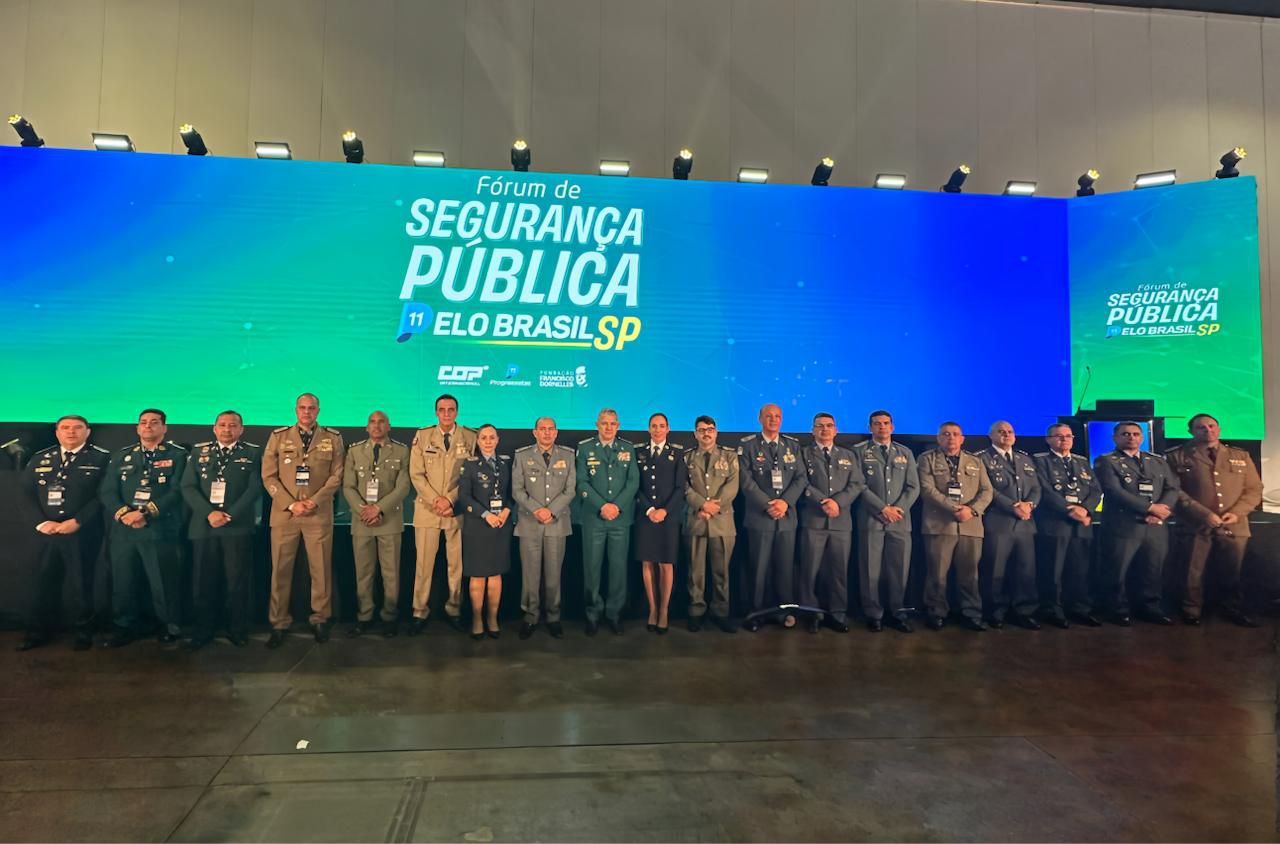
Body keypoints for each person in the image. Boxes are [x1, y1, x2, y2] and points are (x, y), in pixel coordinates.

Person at [17, 415, 111, 651]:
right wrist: (41, 523)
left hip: (82, 532)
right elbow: (25, 493)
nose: (71, 432)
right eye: (65, 428)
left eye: (77, 428)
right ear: (57, 432)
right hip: (45, 533)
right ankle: (38, 632)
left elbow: (103, 495)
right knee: (42, 583)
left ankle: (83, 632)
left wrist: (78, 521)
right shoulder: (40, 458)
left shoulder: (102, 458)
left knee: (82, 583)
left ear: (87, 432)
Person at [261, 393, 345, 647]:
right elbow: (268, 476)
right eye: (302, 408)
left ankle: (320, 618)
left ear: (318, 410)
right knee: (280, 569)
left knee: (320, 569)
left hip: (317, 513)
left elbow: (337, 475)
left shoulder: (333, 437)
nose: (307, 412)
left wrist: (314, 501)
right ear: (296, 410)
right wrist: (291, 504)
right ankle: (279, 622)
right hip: (285, 513)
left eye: (311, 408)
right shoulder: (278, 436)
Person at [100, 408, 189, 647]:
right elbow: (107, 491)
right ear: (137, 428)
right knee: (123, 582)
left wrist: (146, 513)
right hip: (124, 530)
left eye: (154, 422)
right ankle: (124, 627)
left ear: (164, 427)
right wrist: (125, 514)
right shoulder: (122, 456)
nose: (148, 426)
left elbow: (178, 491)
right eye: (143, 422)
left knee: (163, 582)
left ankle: (169, 627)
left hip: (159, 529)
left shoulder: (178, 455)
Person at [1164, 413, 1262, 627]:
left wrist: (1237, 512)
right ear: (1191, 432)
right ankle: (1191, 610)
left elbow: (1254, 489)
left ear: (1219, 429)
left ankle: (1232, 608)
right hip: (1194, 523)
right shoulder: (1177, 456)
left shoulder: (1240, 455)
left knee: (1232, 570)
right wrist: (1203, 514)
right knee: (1192, 571)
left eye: (1211, 426)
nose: (1207, 430)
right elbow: (1174, 491)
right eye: (1201, 427)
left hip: (1233, 524)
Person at [179, 410, 262, 650]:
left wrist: (230, 514)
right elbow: (188, 486)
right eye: (222, 425)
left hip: (237, 526)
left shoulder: (253, 453)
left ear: (241, 429)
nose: (227, 429)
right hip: (204, 526)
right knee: (203, 581)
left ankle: (237, 629)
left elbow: (255, 488)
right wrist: (209, 513)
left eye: (233, 425)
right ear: (214, 428)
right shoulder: (198, 452)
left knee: (237, 581)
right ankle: (203, 630)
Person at [1094, 421, 1178, 626]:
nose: (1131, 437)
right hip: (1123, 526)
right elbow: (1114, 491)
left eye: (1135, 434)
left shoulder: (1157, 461)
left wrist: (1161, 511)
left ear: (1142, 437)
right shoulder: (1106, 461)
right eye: (1125, 434)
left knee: (1152, 570)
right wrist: (1149, 508)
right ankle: (1117, 610)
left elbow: (1173, 488)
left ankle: (1150, 608)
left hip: (1155, 526)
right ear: (1115, 438)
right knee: (1117, 571)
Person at [408, 394, 477, 634]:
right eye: (442, 410)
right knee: (423, 566)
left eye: (451, 409)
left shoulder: (470, 437)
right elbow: (416, 474)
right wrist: (436, 500)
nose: (446, 414)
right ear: (436, 412)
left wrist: (449, 499)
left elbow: (471, 474)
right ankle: (419, 611)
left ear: (457, 412)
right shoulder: (423, 436)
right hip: (427, 510)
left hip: (455, 511)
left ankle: (454, 609)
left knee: (456, 566)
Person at [342, 410, 411, 638]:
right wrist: (364, 511)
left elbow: (403, 486)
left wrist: (379, 509)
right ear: (366, 427)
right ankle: (365, 616)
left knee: (391, 574)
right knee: (364, 573)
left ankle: (389, 617)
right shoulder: (354, 451)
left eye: (381, 422)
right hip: (362, 521)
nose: (377, 425)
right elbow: (348, 486)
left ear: (388, 426)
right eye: (372, 422)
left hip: (389, 521)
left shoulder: (401, 450)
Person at [917, 421, 992, 632]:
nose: (951, 438)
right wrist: (954, 508)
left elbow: (987, 491)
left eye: (955, 434)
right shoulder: (926, 459)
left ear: (962, 438)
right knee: (937, 574)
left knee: (970, 574)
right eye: (946, 434)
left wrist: (972, 510)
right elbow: (926, 489)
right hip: (939, 525)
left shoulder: (975, 461)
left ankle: (971, 613)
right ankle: (936, 613)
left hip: (970, 525)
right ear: (938, 438)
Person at [737, 404, 806, 632]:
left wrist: (785, 502)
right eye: (769, 416)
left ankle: (784, 611)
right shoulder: (748, 445)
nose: (773, 420)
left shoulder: (792, 446)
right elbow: (745, 480)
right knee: (758, 569)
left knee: (785, 569)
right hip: (760, 516)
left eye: (777, 416)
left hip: (786, 517)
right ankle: (756, 613)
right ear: (760, 418)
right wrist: (768, 505)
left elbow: (801, 478)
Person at [796, 413, 865, 633]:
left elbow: (857, 484)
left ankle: (837, 614)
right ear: (812, 430)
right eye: (820, 426)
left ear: (836, 430)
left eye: (829, 426)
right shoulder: (803, 453)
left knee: (838, 571)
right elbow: (801, 482)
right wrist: (822, 501)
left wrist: (838, 502)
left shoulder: (848, 455)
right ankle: (811, 613)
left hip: (840, 522)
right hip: (813, 520)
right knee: (809, 571)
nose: (825, 430)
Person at [851, 410, 919, 633]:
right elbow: (859, 485)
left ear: (892, 427)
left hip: (900, 520)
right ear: (870, 427)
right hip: (871, 518)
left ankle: (897, 613)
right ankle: (873, 614)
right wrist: (882, 508)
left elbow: (913, 487)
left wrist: (897, 509)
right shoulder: (859, 452)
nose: (882, 427)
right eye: (877, 423)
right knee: (870, 569)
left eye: (886, 423)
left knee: (899, 569)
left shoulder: (905, 452)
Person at [576, 408, 639, 636]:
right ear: (597, 425)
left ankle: (614, 614)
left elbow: (633, 482)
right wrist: (602, 506)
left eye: (613, 423)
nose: (609, 427)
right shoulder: (585, 448)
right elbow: (581, 482)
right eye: (604, 423)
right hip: (594, 518)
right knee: (592, 570)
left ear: (618, 426)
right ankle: (592, 614)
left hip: (620, 519)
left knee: (618, 570)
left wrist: (616, 506)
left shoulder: (627, 449)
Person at [511, 417, 576, 640]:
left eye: (551, 429)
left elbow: (570, 490)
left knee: (553, 575)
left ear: (556, 432)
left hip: (556, 524)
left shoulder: (567, 455)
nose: (547, 433)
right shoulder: (522, 456)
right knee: (530, 575)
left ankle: (553, 617)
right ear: (535, 432)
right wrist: (537, 510)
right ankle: (530, 616)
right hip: (530, 523)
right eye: (542, 429)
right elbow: (517, 490)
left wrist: (551, 511)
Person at [1033, 424, 1103, 627]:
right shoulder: (1039, 461)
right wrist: (1069, 510)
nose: (1064, 440)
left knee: (1080, 571)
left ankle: (1079, 609)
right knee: (1052, 571)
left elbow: (1096, 490)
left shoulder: (1082, 462)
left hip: (1081, 525)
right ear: (1048, 439)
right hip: (1055, 524)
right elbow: (1044, 491)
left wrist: (1086, 510)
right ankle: (1052, 610)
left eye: (1068, 436)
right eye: (1058, 436)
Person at [976, 421, 1042, 630]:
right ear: (990, 435)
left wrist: (1029, 505)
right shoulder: (981, 458)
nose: (1006, 435)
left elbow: (1036, 488)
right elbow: (988, 489)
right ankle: (995, 612)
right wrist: (1013, 506)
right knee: (995, 571)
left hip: (1025, 523)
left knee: (1025, 571)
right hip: (998, 522)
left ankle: (1025, 611)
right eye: (1001, 431)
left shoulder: (1025, 458)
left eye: (1010, 431)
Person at [457, 424, 514, 640]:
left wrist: (507, 510)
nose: (488, 441)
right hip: (477, 526)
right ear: (478, 441)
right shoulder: (470, 464)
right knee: (478, 575)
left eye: (492, 437)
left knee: (495, 574)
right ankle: (477, 619)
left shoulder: (506, 463)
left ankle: (492, 618)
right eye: (484, 438)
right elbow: (464, 497)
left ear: (498, 440)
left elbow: (513, 492)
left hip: (501, 525)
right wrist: (485, 514)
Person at [684, 415, 739, 634]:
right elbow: (684, 487)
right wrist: (702, 505)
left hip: (722, 521)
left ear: (716, 432)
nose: (706, 433)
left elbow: (732, 486)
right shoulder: (687, 458)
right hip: (696, 520)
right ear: (695, 434)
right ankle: (696, 612)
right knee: (695, 572)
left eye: (710, 429)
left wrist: (713, 507)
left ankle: (721, 612)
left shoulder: (729, 456)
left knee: (721, 571)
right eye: (701, 430)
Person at [634, 413, 687, 634]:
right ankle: (652, 609)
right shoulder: (639, 453)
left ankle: (664, 610)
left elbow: (680, 488)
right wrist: (650, 510)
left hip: (669, 517)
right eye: (654, 426)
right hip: (646, 516)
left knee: (666, 564)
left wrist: (664, 510)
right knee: (647, 563)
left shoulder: (677, 454)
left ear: (668, 429)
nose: (657, 430)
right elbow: (635, 486)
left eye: (661, 426)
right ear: (648, 429)